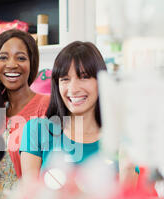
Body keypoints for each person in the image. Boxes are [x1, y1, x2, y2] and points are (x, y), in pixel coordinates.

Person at [20, 41, 139, 186]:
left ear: (101, 81)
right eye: (65, 79)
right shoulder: (37, 130)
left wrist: (127, 168)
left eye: (84, 77)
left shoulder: (120, 139)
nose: (73, 88)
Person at [0, 29, 50, 199]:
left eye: (21, 57)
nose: (11, 64)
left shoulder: (46, 106)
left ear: (32, 64)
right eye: (3, 57)